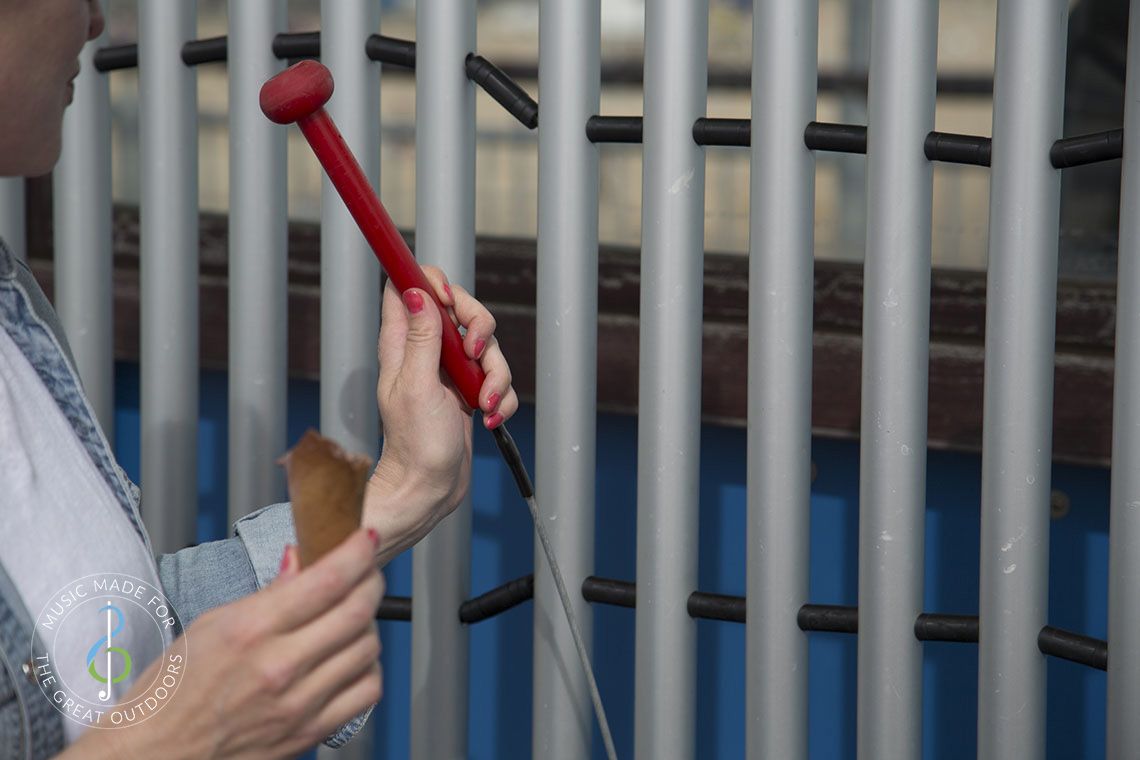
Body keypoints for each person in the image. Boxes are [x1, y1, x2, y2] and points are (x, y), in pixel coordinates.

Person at [0, 1, 519, 757]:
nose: (96, 23)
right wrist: (178, 738)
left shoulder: (12, 308)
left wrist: (406, 485)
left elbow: (107, 647)